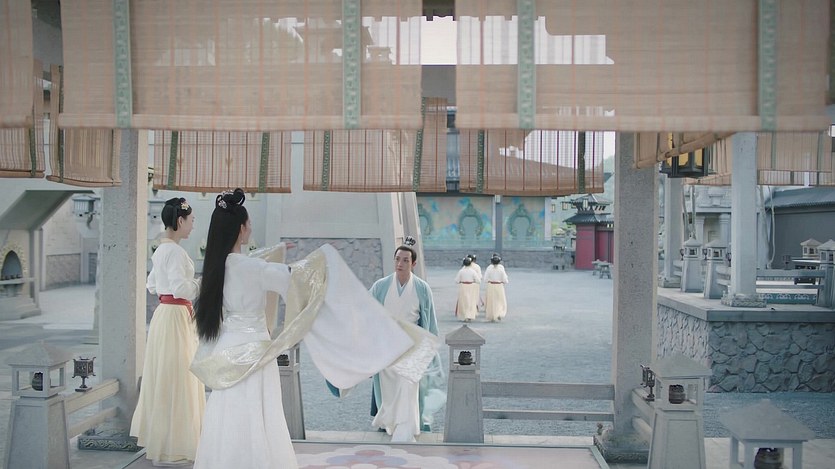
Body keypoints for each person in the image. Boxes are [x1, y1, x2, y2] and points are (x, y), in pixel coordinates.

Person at [191, 190, 438, 468]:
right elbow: (294, 281)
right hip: (254, 352)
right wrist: (323, 259)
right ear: (240, 229)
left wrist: (279, 252)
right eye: (248, 223)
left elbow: (253, 263)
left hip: (227, 347)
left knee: (225, 413)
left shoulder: (216, 268)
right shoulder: (253, 268)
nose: (250, 227)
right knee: (258, 414)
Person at [130, 197, 205, 466]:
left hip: (165, 314)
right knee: (179, 376)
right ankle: (177, 444)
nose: (193, 225)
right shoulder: (175, 252)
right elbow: (181, 288)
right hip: (175, 315)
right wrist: (202, 283)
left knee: (165, 375)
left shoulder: (161, 249)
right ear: (180, 221)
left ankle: (165, 442)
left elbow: (152, 285)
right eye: (191, 220)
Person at [369, 237, 445, 442]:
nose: (400, 264)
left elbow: (430, 322)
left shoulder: (422, 288)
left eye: (405, 260)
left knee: (408, 385)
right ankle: (391, 423)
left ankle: (407, 426)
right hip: (387, 347)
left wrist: (428, 350)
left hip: (412, 346)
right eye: (397, 259)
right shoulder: (380, 286)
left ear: (413, 263)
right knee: (389, 390)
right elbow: (368, 313)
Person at [483, 253, 510, 322]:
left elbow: (485, 279)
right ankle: (499, 313)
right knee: (500, 300)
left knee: (491, 301)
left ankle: (491, 315)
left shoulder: (489, 269)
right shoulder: (501, 269)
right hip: (499, 286)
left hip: (491, 286)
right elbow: (505, 280)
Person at [455, 256, 481, 322]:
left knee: (463, 301)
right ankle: (470, 315)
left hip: (463, 287)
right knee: (471, 301)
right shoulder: (473, 271)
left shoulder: (461, 271)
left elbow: (456, 281)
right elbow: (478, 280)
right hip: (471, 287)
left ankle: (464, 315)